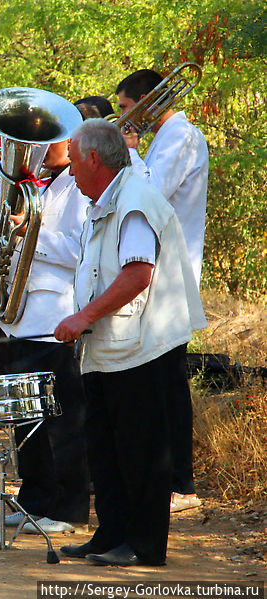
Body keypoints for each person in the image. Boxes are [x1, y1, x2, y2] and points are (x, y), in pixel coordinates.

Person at [54, 119, 206, 567]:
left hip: (142, 347)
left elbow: (138, 273)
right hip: (113, 347)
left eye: (75, 164)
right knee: (107, 448)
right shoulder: (109, 199)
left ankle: (143, 544)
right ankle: (111, 534)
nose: (71, 174)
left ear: (95, 159)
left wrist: (83, 316)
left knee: (139, 450)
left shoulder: (134, 200)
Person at [0, 136, 89, 536]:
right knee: (26, 418)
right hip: (19, 315)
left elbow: (79, 252)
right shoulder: (42, 185)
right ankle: (35, 499)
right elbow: (22, 238)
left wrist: (29, 234)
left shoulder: (79, 186)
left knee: (59, 419)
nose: (37, 151)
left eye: (48, 142)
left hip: (53, 314)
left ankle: (68, 508)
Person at [117, 68, 209, 513]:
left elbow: (152, 193)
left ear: (146, 102)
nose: (123, 118)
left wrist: (130, 153)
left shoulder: (181, 136)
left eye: (125, 108)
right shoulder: (169, 137)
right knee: (159, 381)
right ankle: (168, 477)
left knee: (170, 381)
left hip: (173, 276)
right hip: (163, 270)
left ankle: (182, 484)